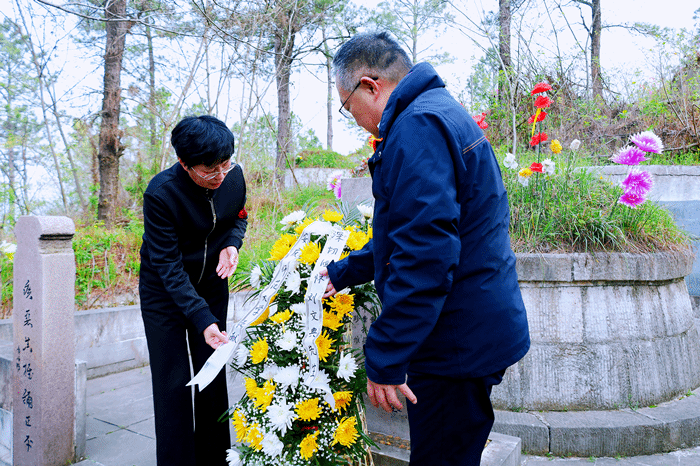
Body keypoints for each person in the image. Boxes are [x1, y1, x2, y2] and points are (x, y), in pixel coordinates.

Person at [322, 32, 530, 465]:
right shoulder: (436, 112)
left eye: (348, 107)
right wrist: (344, 272)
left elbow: (425, 254)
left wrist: (386, 353)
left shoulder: (416, 127)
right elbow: (410, 230)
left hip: (454, 342)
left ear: (369, 86)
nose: (354, 119)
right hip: (471, 327)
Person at [139, 115, 248, 466]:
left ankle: (216, 460)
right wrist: (201, 317)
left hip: (211, 283)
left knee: (211, 375)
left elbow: (238, 217)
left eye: (225, 164)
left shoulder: (233, 176)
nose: (220, 176)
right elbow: (167, 266)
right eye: (209, 170)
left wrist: (231, 244)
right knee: (172, 382)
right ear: (184, 163)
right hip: (164, 292)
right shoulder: (161, 194)